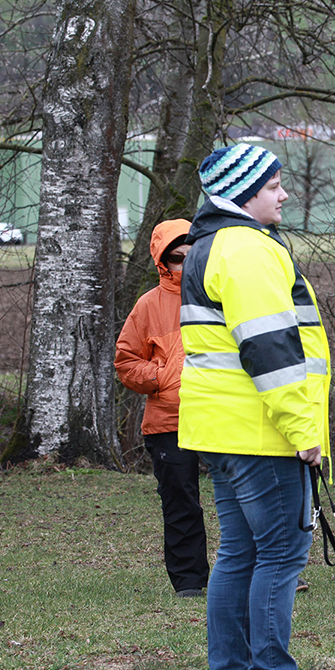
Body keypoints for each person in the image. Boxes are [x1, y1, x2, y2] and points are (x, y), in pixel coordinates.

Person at [179, 143, 335, 670]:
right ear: (244, 192)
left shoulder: (208, 247)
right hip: (262, 432)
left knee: (239, 556)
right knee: (280, 556)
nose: (284, 193)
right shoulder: (247, 249)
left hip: (223, 432)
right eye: (274, 184)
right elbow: (270, 349)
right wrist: (303, 429)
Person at [115, 219, 209, 598]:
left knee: (243, 498)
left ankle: (262, 574)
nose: (185, 265)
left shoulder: (220, 293)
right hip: (168, 420)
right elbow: (125, 361)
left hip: (224, 414)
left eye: (192, 254)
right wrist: (163, 376)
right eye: (176, 258)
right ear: (161, 261)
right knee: (180, 500)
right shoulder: (148, 305)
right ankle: (190, 582)